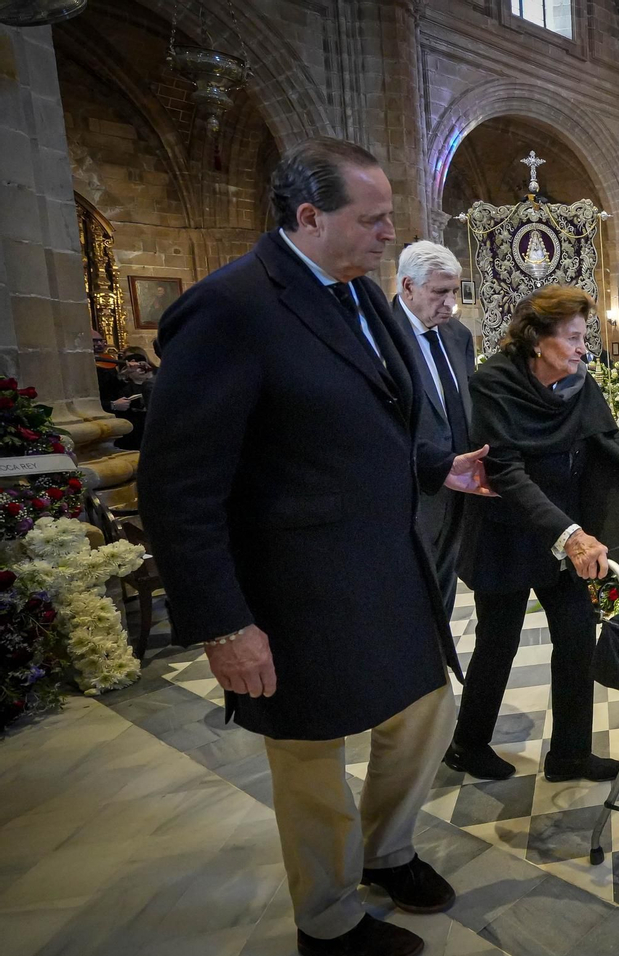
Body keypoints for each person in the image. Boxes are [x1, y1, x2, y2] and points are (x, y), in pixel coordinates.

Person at [139, 137, 496, 956]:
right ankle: (327, 920)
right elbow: (178, 487)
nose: (386, 235)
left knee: (425, 711)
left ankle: (387, 850)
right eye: (371, 220)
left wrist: (441, 469)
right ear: (309, 218)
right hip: (293, 586)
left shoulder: (363, 298)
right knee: (309, 756)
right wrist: (224, 624)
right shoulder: (232, 307)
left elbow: (369, 424)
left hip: (386, 567)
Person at [453, 286, 619, 783]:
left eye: (582, 337)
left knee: (575, 637)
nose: (582, 348)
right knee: (497, 642)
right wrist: (567, 533)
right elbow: (505, 470)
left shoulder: (578, 384)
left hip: (566, 535)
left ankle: (569, 755)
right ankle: (467, 744)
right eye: (572, 338)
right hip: (509, 532)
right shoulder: (493, 383)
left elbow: (611, 447)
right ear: (536, 340)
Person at [392, 241, 472, 613]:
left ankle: (438, 668)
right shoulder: (383, 338)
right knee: (412, 604)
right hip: (413, 493)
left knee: (443, 594)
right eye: (439, 292)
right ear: (408, 287)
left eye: (453, 291)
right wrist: (435, 466)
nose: (450, 303)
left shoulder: (458, 336)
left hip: (461, 487)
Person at [108, 350, 156, 450]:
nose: (141, 369)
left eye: (143, 366)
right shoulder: (123, 388)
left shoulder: (155, 383)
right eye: (137, 367)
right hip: (134, 432)